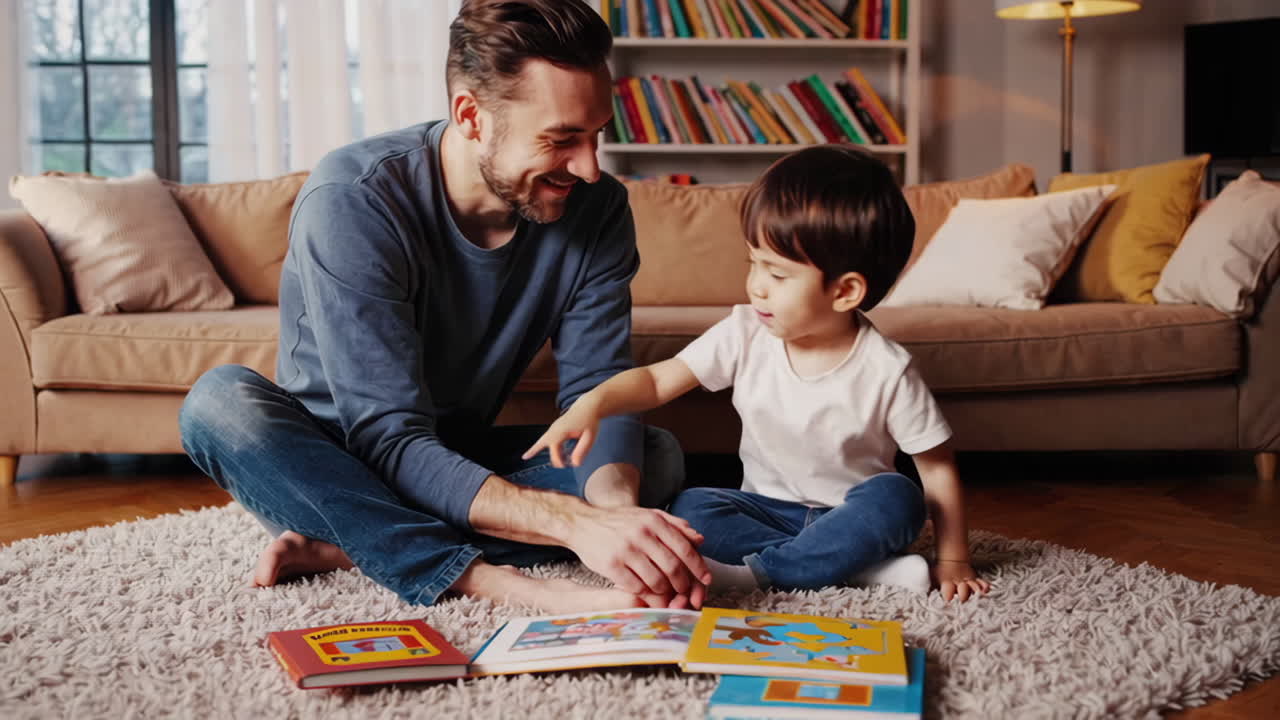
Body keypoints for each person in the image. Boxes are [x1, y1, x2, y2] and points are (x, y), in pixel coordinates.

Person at [178, 0, 711, 613]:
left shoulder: (600, 209)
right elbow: (388, 437)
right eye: (562, 140)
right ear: (471, 115)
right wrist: (573, 526)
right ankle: (487, 577)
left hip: (454, 455)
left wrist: (618, 522)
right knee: (218, 404)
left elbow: (600, 391)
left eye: (596, 136)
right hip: (337, 459)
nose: (590, 168)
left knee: (653, 458)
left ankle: (354, 544)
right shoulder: (353, 198)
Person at [525, 145, 992, 603]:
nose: (756, 286)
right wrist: (594, 403)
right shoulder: (745, 331)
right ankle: (866, 572)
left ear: (845, 291)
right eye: (754, 262)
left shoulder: (888, 370)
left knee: (898, 497)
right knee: (692, 508)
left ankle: (757, 576)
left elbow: (937, 469)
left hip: (852, 517)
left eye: (778, 274)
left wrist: (953, 561)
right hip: (764, 512)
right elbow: (657, 381)